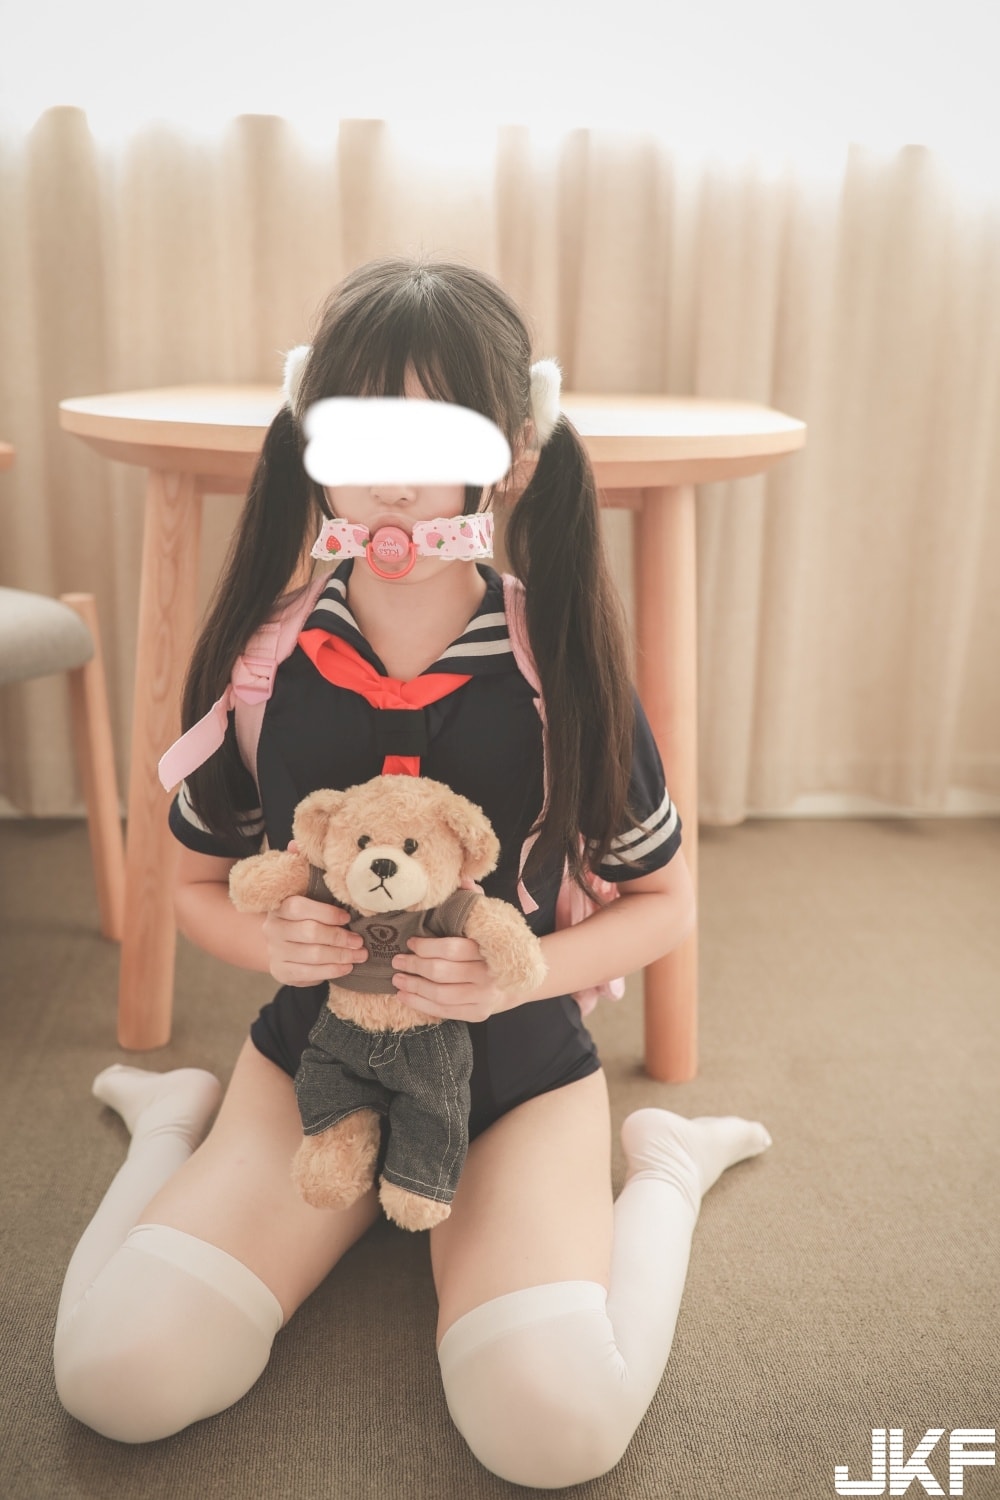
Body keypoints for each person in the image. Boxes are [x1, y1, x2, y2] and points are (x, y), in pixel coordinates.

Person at [53, 258, 771, 1488]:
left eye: (432, 438)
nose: (390, 480)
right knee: (114, 1381)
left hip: (517, 1084)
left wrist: (514, 976)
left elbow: (666, 902)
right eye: (358, 432)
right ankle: (172, 1126)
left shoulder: (562, 667)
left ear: (513, 449)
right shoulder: (263, 665)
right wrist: (267, 943)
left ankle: (666, 1171)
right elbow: (192, 887)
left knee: (552, 1434)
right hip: (310, 1069)